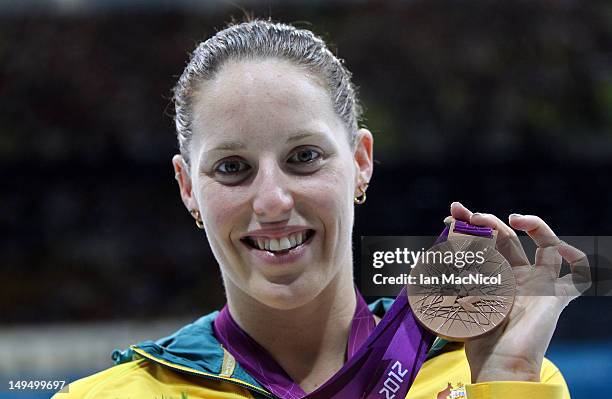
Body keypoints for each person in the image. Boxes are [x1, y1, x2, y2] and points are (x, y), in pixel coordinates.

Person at [54, 19, 589, 399]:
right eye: (232, 167)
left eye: (304, 157)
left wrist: (508, 376)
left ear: (360, 162)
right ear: (188, 187)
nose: (272, 201)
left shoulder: (497, 378)